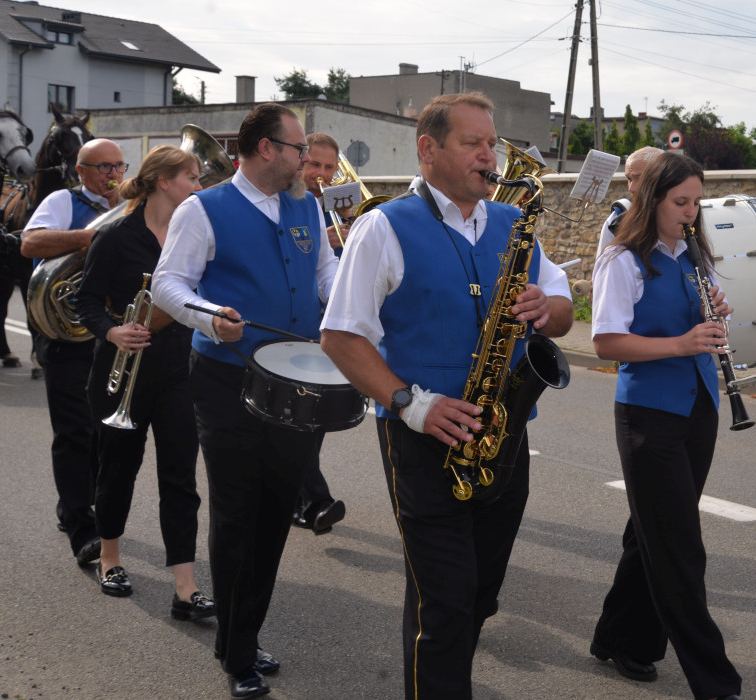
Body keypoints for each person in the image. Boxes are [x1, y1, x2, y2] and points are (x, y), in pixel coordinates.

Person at [320, 92, 574, 699]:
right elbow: (339, 336)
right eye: (474, 144)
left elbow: (563, 309)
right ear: (428, 149)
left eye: (492, 144)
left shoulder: (516, 223)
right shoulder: (383, 226)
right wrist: (411, 403)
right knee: (446, 602)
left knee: (477, 596)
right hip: (421, 436)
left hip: (503, 435)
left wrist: (549, 308)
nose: (490, 157)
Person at [151, 103, 338, 700]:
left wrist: (350, 315)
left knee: (277, 513)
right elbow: (168, 284)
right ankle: (236, 652)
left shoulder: (306, 203)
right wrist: (208, 318)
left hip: (297, 382)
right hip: (227, 381)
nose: (306, 159)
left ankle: (244, 630)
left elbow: (325, 275)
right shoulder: (201, 209)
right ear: (265, 149)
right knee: (236, 514)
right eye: (298, 149)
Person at [589, 150, 742, 700]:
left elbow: (696, 321)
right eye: (681, 202)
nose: (691, 212)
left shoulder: (692, 253)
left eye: (696, 202)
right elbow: (606, 341)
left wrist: (713, 313)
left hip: (699, 404)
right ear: (651, 198)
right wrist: (681, 342)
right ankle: (715, 680)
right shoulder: (622, 259)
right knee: (680, 547)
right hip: (649, 413)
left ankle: (618, 637)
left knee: (649, 532)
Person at [74, 145, 214, 620]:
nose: (199, 186)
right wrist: (112, 330)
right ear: (162, 181)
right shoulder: (115, 235)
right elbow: (86, 300)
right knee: (118, 471)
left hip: (178, 368)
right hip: (122, 369)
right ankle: (110, 559)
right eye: (192, 178)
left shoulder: (191, 235)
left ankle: (185, 585)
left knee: (181, 478)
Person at [21, 139, 126, 568]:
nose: (112, 174)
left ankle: (75, 508)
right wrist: (91, 238)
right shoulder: (62, 200)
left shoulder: (131, 206)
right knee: (74, 432)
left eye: (118, 165)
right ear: (80, 171)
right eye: (103, 167)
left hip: (109, 333)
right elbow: (30, 243)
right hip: (65, 335)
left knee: (105, 432)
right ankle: (84, 531)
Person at [288, 131, 347, 535]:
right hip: (296, 324)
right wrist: (321, 243)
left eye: (329, 167)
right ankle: (315, 500)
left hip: (329, 324)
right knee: (300, 417)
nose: (321, 174)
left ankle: (296, 497)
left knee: (314, 418)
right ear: (301, 161)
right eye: (315, 165)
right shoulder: (297, 205)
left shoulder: (338, 207)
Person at [597, 145, 756, 258]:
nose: (631, 188)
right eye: (628, 179)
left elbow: (732, 234)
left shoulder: (690, 215)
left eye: (638, 178)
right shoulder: (617, 223)